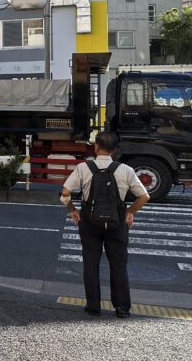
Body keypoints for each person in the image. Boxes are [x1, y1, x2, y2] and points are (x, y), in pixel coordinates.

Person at [60, 131, 149, 318]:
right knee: (118, 265)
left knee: (91, 264)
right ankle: (122, 308)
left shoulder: (84, 168)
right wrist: (130, 212)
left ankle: (93, 306)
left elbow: (65, 191)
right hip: (117, 223)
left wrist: (72, 210)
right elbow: (144, 196)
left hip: (90, 223)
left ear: (96, 147)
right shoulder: (125, 170)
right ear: (114, 150)